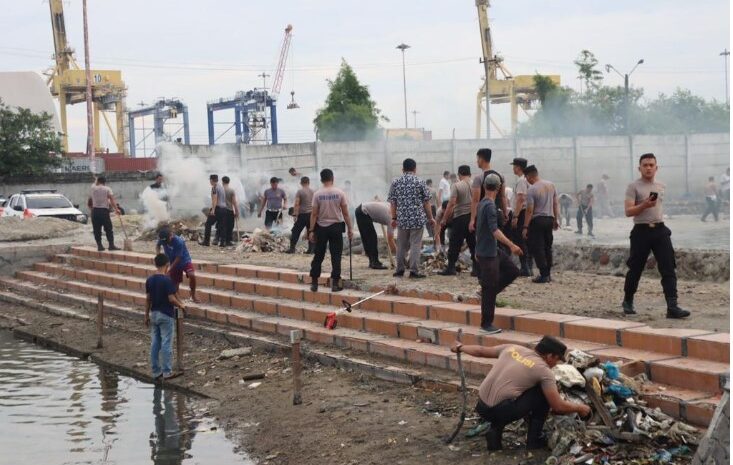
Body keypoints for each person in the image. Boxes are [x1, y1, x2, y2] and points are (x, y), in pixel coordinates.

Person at [451, 336, 591, 451]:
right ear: (549, 356)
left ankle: (495, 431)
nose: (556, 364)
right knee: (542, 394)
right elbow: (557, 406)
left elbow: (481, 351)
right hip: (500, 411)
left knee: (512, 393)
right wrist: (581, 408)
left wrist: (460, 347)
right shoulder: (544, 370)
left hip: (481, 406)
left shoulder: (512, 348)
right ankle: (533, 441)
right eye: (556, 359)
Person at [622, 153, 690, 319]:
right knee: (636, 268)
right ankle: (628, 300)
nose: (648, 168)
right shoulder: (633, 186)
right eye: (645, 165)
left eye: (651, 165)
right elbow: (628, 211)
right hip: (641, 231)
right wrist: (644, 204)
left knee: (668, 267)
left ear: (656, 168)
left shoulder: (661, 185)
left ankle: (672, 306)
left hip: (660, 230)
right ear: (639, 168)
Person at [475, 173, 522, 333]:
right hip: (488, 253)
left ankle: (488, 292)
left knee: (513, 271)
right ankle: (486, 324)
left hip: (491, 250)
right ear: (499, 187)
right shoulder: (489, 206)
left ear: (484, 186)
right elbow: (494, 231)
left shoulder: (482, 203)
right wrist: (512, 245)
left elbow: (480, 229)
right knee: (490, 286)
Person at [388, 158, 436, 279]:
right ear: (415, 169)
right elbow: (426, 203)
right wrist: (431, 218)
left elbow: (393, 203)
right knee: (415, 244)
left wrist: (394, 218)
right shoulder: (420, 182)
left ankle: (399, 270)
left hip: (402, 219)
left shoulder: (396, 182)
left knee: (401, 245)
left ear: (402, 169)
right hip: (417, 219)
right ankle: (414, 271)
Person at [308, 169, 353, 293]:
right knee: (336, 255)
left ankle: (314, 283)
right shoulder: (340, 193)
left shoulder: (317, 194)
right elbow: (345, 213)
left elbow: (314, 214)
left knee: (318, 255)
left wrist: (311, 230)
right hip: (336, 227)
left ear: (322, 179)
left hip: (321, 228)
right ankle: (335, 284)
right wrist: (350, 228)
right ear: (332, 178)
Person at [145, 253, 186, 380]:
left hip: (154, 314)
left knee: (155, 342)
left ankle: (156, 371)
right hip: (165, 315)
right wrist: (181, 305)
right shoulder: (167, 280)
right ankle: (167, 371)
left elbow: (148, 299)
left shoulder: (150, 280)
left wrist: (146, 315)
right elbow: (171, 298)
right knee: (167, 342)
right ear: (167, 265)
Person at [522, 165, 559, 284]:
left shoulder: (532, 189)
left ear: (529, 176)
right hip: (549, 219)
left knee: (538, 248)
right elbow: (555, 204)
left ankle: (543, 274)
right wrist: (556, 219)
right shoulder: (551, 185)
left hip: (537, 220)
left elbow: (529, 210)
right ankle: (548, 273)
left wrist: (525, 226)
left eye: (526, 177)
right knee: (548, 247)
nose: (526, 179)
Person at [437, 165, 476, 276]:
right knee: (473, 243)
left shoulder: (456, 185)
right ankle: (476, 269)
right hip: (473, 217)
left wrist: (444, 219)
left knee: (454, 243)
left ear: (459, 174)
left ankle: (451, 268)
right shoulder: (476, 185)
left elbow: (452, 203)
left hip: (460, 218)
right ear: (470, 174)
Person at [156, 228, 198, 303]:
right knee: (175, 282)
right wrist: (158, 256)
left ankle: (193, 295)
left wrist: (170, 269)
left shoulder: (179, 242)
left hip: (184, 260)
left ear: (171, 236)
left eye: (167, 241)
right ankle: (178, 301)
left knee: (192, 275)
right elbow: (158, 245)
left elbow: (178, 258)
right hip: (171, 261)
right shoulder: (163, 239)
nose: (166, 243)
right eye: (164, 242)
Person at [355, 201, 396, 269]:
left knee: (367, 237)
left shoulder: (392, 206)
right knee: (371, 238)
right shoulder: (392, 219)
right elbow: (390, 239)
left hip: (361, 209)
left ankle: (372, 261)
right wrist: (399, 255)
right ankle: (374, 262)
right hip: (363, 212)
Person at [509, 157, 532, 276]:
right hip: (524, 212)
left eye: (514, 166)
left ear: (518, 167)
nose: (513, 168)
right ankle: (527, 266)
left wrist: (515, 216)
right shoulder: (526, 179)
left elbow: (521, 199)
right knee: (524, 240)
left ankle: (525, 267)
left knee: (520, 240)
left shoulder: (521, 181)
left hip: (521, 213)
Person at [88, 176, 121, 251]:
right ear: (104, 182)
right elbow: (112, 200)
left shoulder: (93, 188)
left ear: (98, 181)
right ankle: (111, 245)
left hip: (95, 211)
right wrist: (117, 209)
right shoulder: (107, 189)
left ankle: (100, 246)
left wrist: (95, 179)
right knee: (108, 228)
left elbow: (94, 183)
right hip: (104, 211)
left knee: (96, 229)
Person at [288, 176, 315, 254]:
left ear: (301, 183)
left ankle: (292, 249)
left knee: (295, 231)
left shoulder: (300, 191)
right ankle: (311, 250)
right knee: (311, 231)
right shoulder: (313, 191)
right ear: (309, 183)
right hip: (311, 215)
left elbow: (297, 203)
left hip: (302, 215)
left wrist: (295, 215)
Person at [202, 174, 226, 246]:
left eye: (210, 180)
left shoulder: (214, 188)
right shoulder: (221, 187)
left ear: (212, 180)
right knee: (221, 226)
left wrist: (213, 210)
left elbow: (215, 199)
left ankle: (206, 241)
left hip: (217, 209)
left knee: (208, 224)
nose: (210, 181)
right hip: (223, 209)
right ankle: (222, 242)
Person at [221, 176, 238, 246]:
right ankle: (228, 241)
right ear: (229, 182)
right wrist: (236, 211)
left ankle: (222, 241)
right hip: (229, 210)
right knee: (230, 226)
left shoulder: (220, 190)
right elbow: (234, 202)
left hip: (221, 210)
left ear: (222, 182)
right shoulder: (231, 190)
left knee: (223, 226)